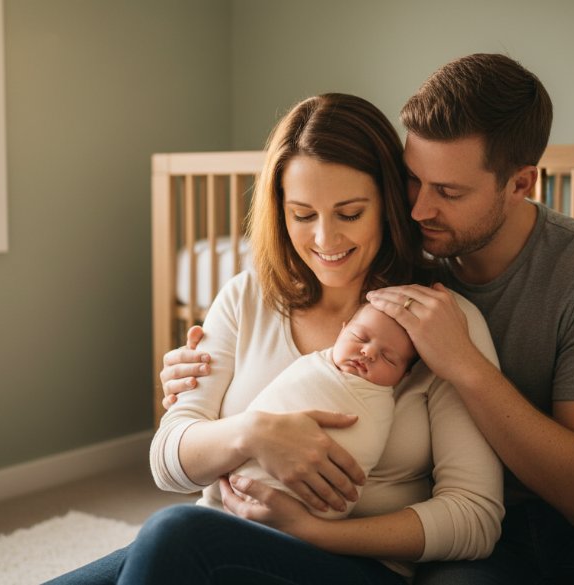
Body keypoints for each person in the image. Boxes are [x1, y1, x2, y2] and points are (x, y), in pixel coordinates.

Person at [164, 55, 574, 584]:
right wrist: (213, 403)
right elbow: (185, 442)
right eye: (411, 181)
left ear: (521, 184)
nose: (419, 208)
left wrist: (465, 366)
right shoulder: (392, 270)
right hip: (467, 536)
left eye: (447, 191)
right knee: (158, 548)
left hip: (563, 521)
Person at [48, 92, 504, 585]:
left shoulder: (438, 322)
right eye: (303, 215)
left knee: (175, 532)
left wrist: (315, 532)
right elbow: (168, 463)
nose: (325, 240)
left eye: (350, 213)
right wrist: (255, 433)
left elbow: (474, 519)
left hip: (352, 564)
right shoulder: (246, 298)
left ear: (388, 205)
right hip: (217, 536)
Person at [232, 302, 417, 520]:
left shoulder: (380, 404)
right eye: (360, 337)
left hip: (316, 523)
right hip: (240, 490)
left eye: (388, 357)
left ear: (404, 375)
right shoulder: (313, 366)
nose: (368, 352)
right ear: (342, 330)